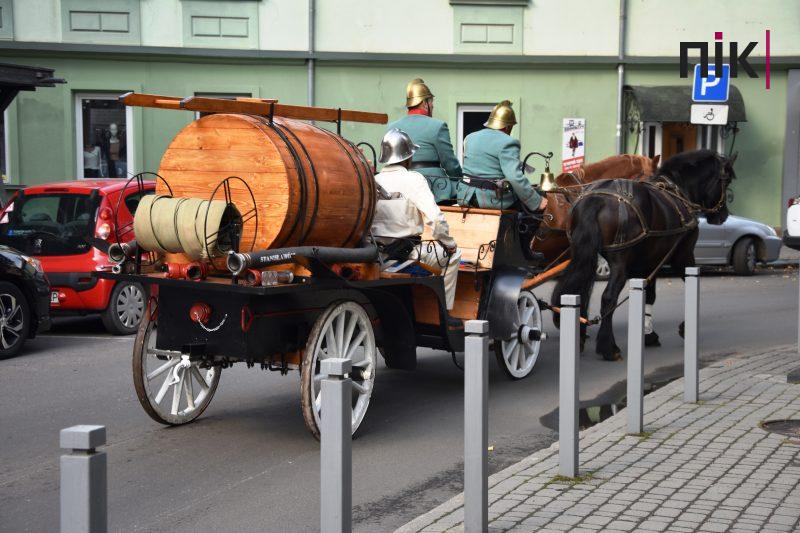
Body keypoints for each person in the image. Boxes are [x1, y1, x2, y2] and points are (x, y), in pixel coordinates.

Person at [371, 129, 462, 311]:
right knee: (454, 255)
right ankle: (444, 312)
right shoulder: (414, 179)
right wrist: (449, 244)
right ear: (408, 157)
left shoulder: (374, 180)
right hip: (408, 253)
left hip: (377, 255)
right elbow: (435, 219)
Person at [456, 100, 547, 212]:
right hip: (490, 200)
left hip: (464, 196)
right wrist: (537, 201)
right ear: (508, 127)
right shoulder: (508, 142)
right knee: (535, 211)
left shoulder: (470, 137)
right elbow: (514, 177)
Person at [385, 78, 462, 204]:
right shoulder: (438, 126)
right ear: (424, 103)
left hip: (400, 186)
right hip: (433, 189)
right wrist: (459, 177)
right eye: (431, 101)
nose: (433, 105)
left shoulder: (391, 127)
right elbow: (449, 163)